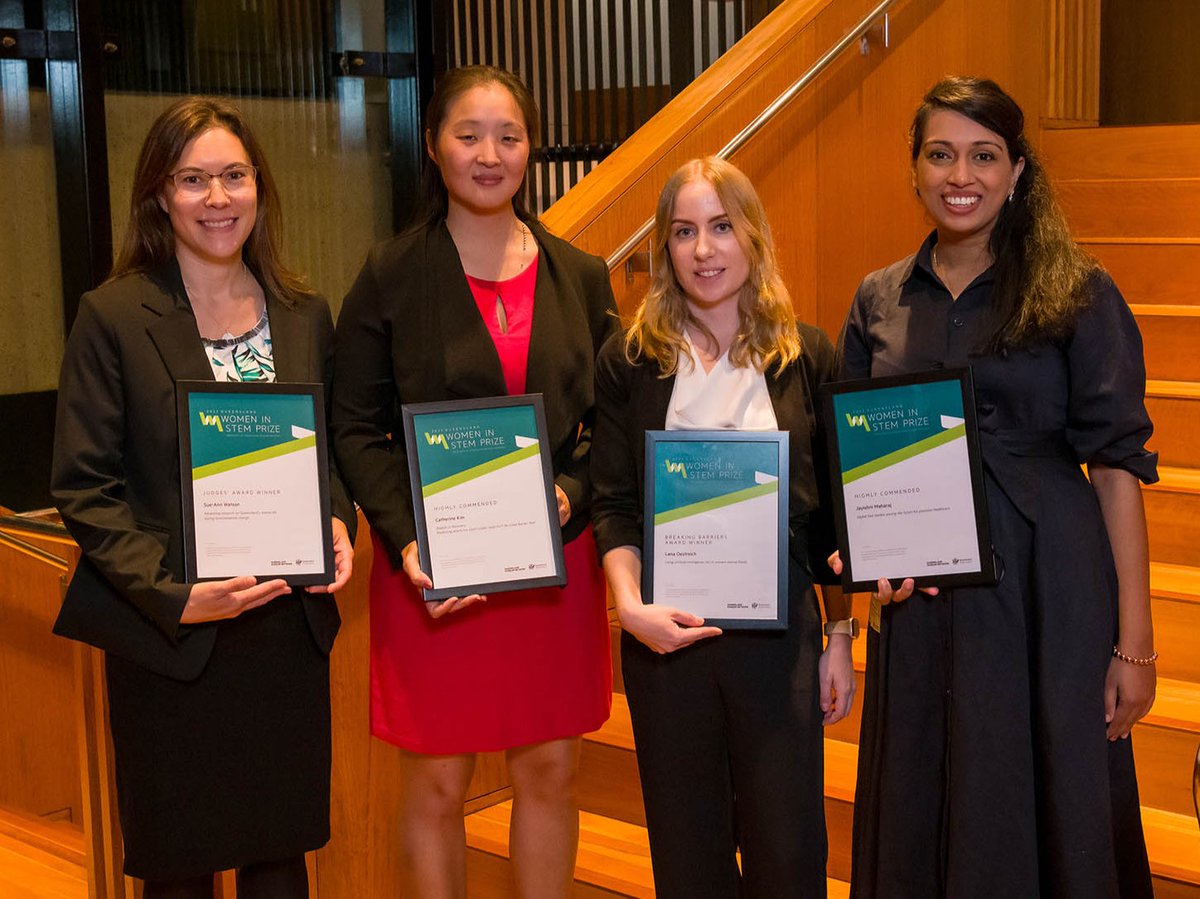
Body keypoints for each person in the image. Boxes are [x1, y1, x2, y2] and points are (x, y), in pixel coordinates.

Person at [837, 76, 1157, 898]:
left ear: (1017, 171)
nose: (961, 175)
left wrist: (1135, 643)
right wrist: (865, 558)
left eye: (984, 155)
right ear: (914, 169)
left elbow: (1118, 466)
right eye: (941, 154)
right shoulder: (878, 299)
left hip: (1048, 588)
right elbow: (856, 463)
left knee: (1046, 791)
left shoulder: (1078, 290)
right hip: (923, 599)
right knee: (921, 785)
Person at [51, 97, 355, 898]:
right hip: (173, 640)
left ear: (260, 187)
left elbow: (328, 454)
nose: (217, 199)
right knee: (180, 870)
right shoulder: (112, 316)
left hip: (284, 637)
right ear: (160, 193)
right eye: (193, 180)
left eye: (233, 176)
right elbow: (84, 484)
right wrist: (177, 596)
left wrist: (335, 519)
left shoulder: (303, 315)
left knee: (280, 861)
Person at [330, 65, 615, 898]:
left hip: (552, 565)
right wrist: (408, 538)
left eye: (509, 136)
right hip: (433, 569)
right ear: (433, 145)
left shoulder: (582, 274)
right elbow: (354, 425)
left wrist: (572, 491)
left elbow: (616, 420)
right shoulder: (388, 274)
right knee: (437, 783)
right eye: (468, 135)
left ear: (531, 149)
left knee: (552, 770)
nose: (489, 154)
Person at [591, 156, 856, 897]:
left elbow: (830, 517)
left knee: (788, 852)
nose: (704, 250)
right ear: (664, 248)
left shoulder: (807, 355)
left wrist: (841, 637)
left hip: (780, 648)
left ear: (754, 237)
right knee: (688, 859)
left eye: (720, 227)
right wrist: (628, 604)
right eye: (683, 232)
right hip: (666, 642)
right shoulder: (631, 361)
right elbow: (612, 502)